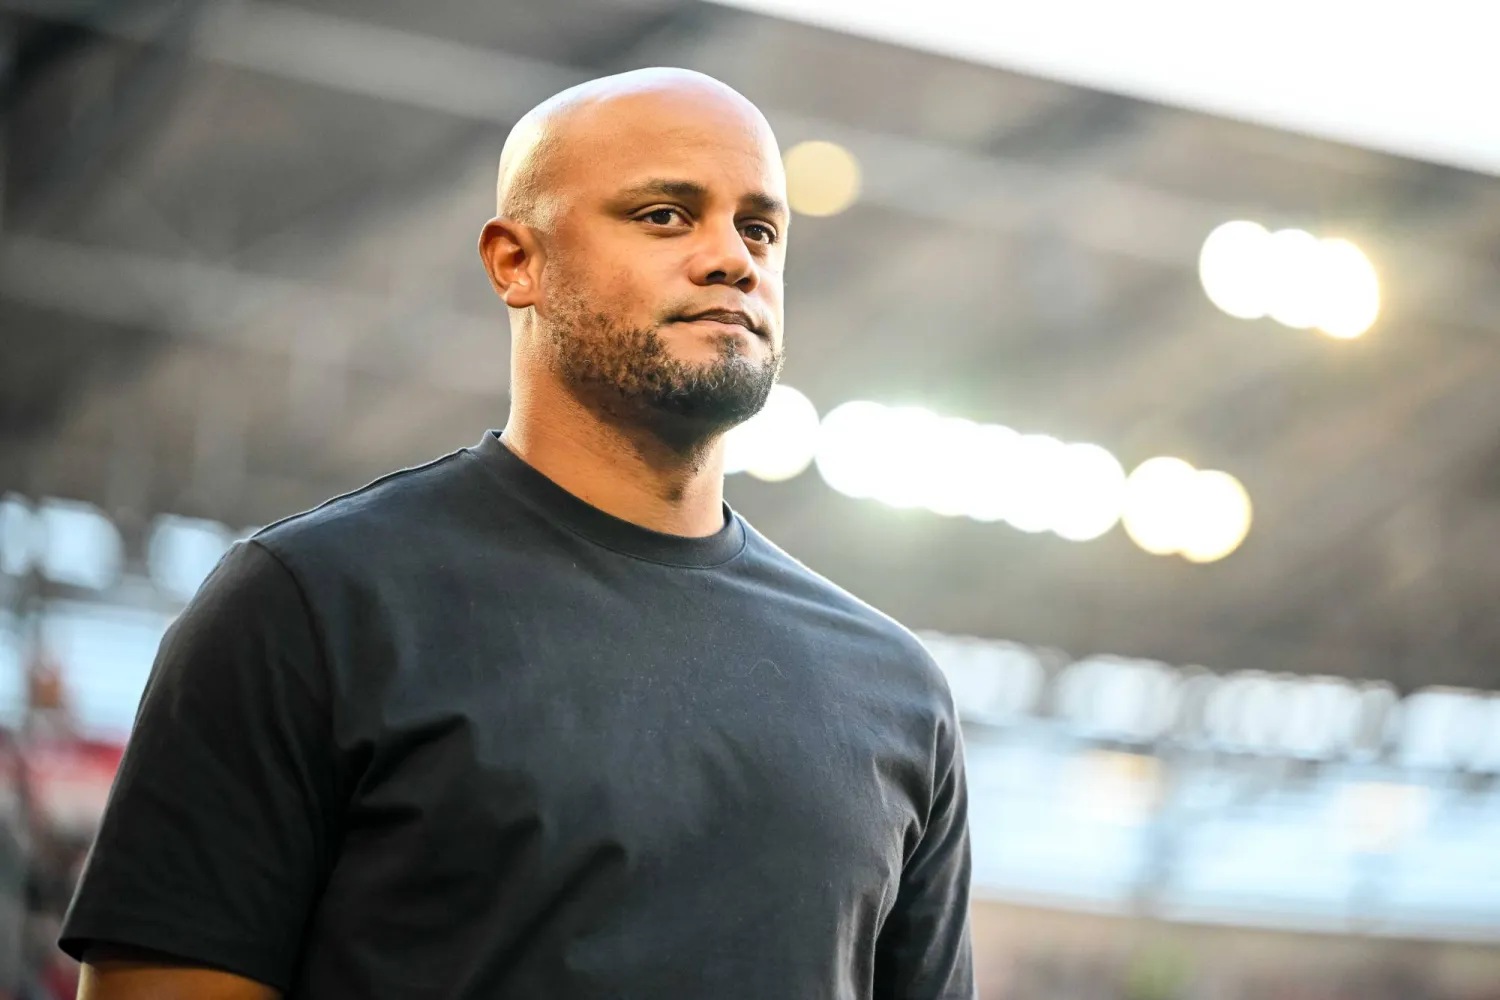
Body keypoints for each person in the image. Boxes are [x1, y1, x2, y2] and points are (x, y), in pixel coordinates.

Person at [59, 68, 975, 1000]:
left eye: (760, 229)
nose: (732, 259)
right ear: (515, 262)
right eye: (665, 215)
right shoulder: (312, 606)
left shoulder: (894, 690)